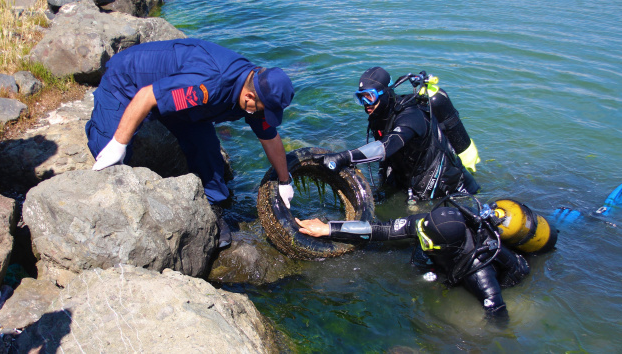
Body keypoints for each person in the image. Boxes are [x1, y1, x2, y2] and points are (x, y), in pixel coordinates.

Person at [85, 38, 296, 248]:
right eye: (261, 110)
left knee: (207, 152)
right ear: (249, 96)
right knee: (108, 153)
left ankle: (213, 207)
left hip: (187, 104)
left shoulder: (256, 87)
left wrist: (284, 181)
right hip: (127, 81)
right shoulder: (210, 83)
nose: (260, 115)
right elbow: (146, 96)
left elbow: (269, 137)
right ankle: (100, 126)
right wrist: (119, 143)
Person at [295, 195, 532, 322]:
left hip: (506, 274)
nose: (420, 241)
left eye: (426, 241)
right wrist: (329, 229)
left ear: (446, 246)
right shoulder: (428, 222)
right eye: (420, 234)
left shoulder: (479, 274)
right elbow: (382, 229)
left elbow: (499, 318)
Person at [313, 67, 480, 202]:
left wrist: (344, 157)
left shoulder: (411, 116)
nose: (365, 104)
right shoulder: (379, 116)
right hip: (410, 179)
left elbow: (385, 147)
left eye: (369, 97)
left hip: (452, 190)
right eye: (361, 98)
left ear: (385, 94)